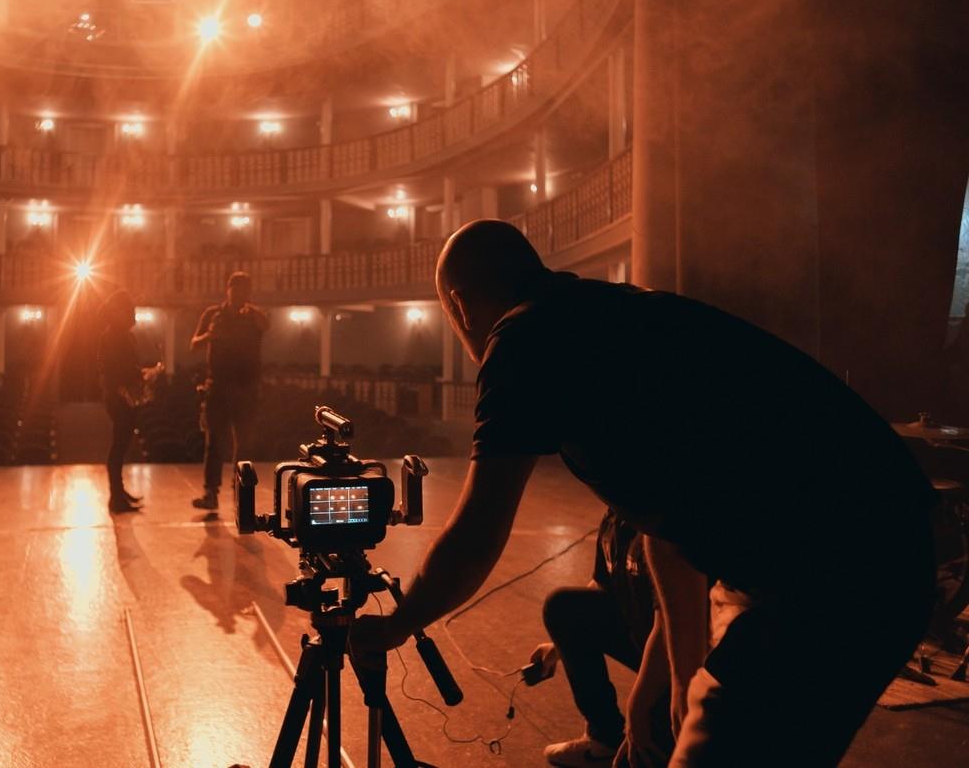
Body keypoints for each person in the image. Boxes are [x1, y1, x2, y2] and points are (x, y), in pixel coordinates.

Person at [351, 220, 935, 766]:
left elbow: (477, 537)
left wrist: (397, 625)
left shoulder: (525, 336)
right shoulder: (612, 317)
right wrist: (679, 681)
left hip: (838, 568)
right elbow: (666, 528)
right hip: (880, 544)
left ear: (457, 304)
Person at [540, 510, 672, 767]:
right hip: (646, 640)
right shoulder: (615, 518)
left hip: (685, 653)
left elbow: (670, 626)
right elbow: (602, 587)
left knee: (647, 755)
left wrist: (639, 706)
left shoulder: (657, 530)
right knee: (563, 608)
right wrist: (558, 647)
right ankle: (605, 739)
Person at [190, 270, 268, 510]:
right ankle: (210, 493)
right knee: (214, 442)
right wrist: (210, 334)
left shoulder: (255, 316)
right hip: (219, 386)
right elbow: (193, 345)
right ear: (228, 290)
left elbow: (266, 325)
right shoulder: (213, 314)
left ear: (248, 293)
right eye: (235, 290)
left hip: (246, 388)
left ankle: (240, 491)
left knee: (244, 443)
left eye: (244, 291)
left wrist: (253, 316)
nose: (239, 295)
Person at [98, 289, 144, 513]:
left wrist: (143, 374)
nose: (135, 314)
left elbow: (130, 366)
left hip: (126, 394)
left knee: (122, 445)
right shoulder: (111, 336)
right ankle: (115, 497)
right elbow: (113, 369)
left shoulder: (127, 336)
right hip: (118, 396)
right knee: (118, 446)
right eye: (131, 310)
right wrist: (132, 379)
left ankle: (119, 491)